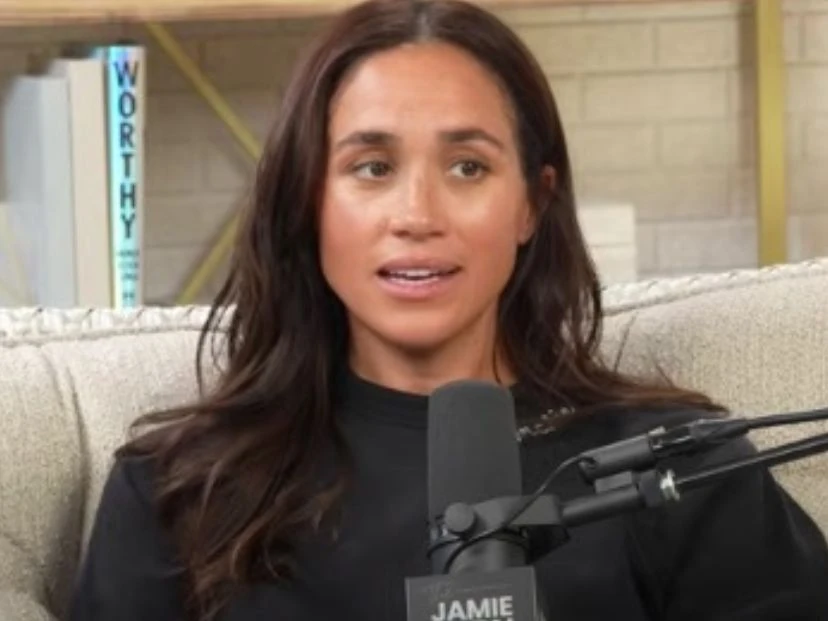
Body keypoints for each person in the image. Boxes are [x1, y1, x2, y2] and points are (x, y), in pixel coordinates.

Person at [68, 0, 828, 619]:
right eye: (372, 167)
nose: (417, 214)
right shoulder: (175, 491)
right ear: (308, 200)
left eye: (468, 166)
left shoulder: (675, 468)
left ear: (532, 203)